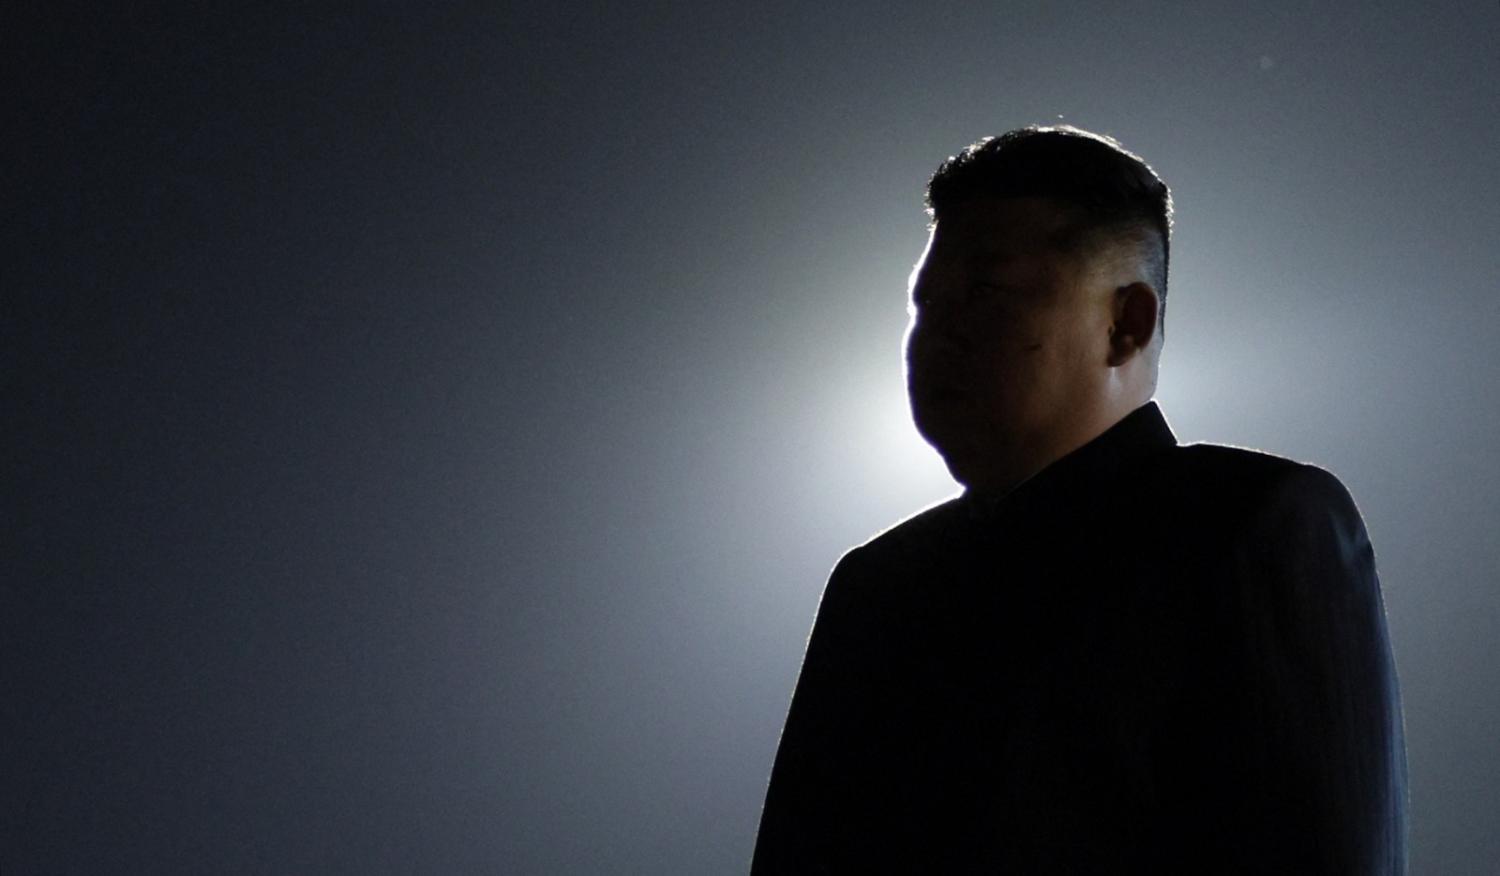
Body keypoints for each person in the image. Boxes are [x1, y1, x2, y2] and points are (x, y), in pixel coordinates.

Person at [751, 126, 1407, 873]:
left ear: (1126, 324)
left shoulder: (1252, 527)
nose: (936, 336)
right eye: (925, 305)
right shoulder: (874, 586)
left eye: (986, 293)